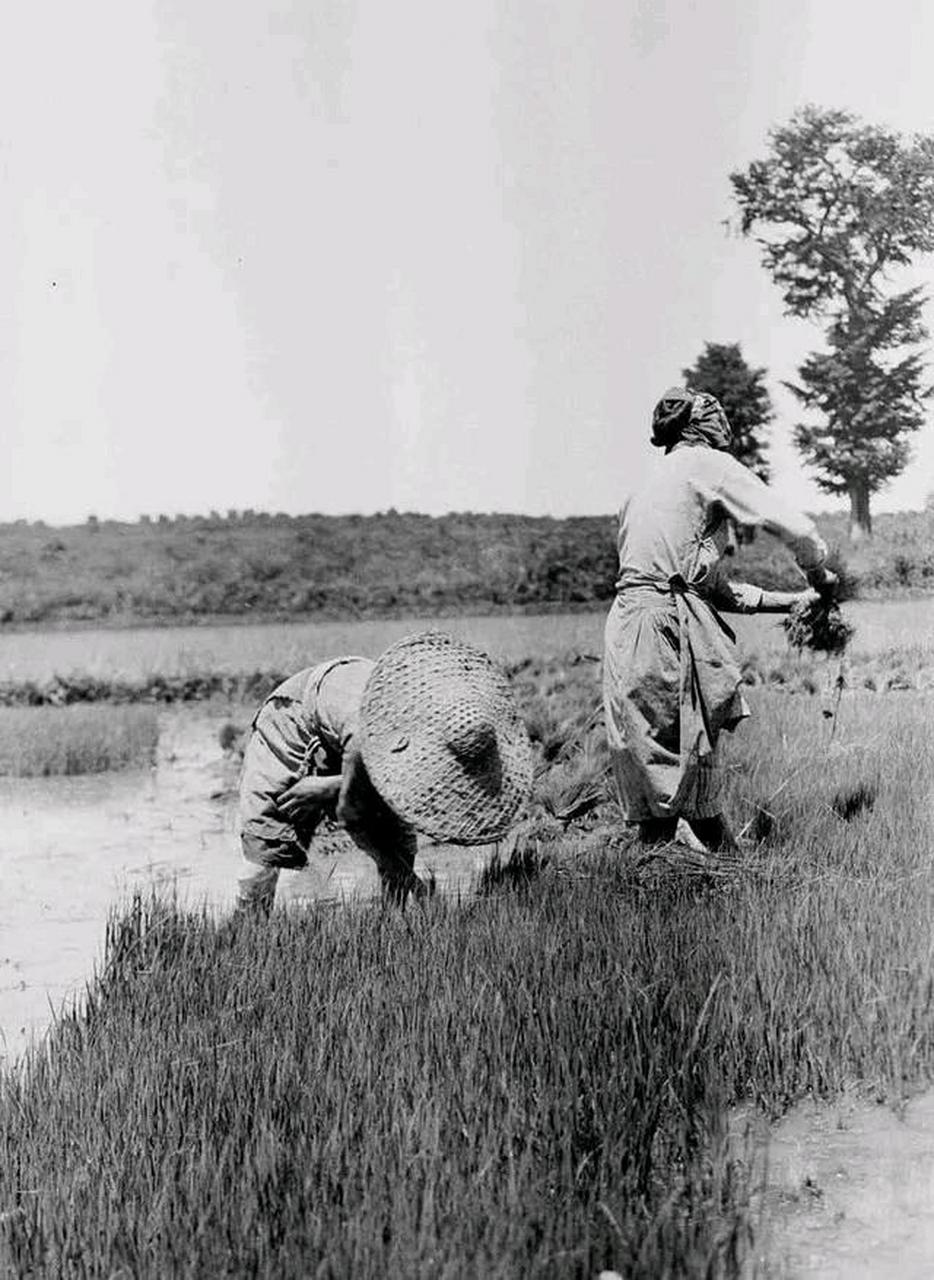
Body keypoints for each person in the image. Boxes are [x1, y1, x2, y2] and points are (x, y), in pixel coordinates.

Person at [603, 386, 835, 854]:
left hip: (628, 626)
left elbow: (706, 588)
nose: (723, 422)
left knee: (658, 774)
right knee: (683, 770)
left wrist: (794, 602)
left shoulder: (645, 484)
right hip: (665, 627)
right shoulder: (705, 464)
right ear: (697, 425)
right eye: (714, 414)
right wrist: (819, 573)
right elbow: (794, 526)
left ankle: (681, 887)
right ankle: (724, 880)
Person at [237, 631, 533, 915]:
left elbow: (391, 796)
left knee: (398, 833)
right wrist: (418, 886)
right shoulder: (366, 733)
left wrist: (331, 786)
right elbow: (352, 816)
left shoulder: (439, 719)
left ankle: (393, 920)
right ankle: (248, 928)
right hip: (295, 721)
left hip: (359, 731)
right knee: (267, 839)